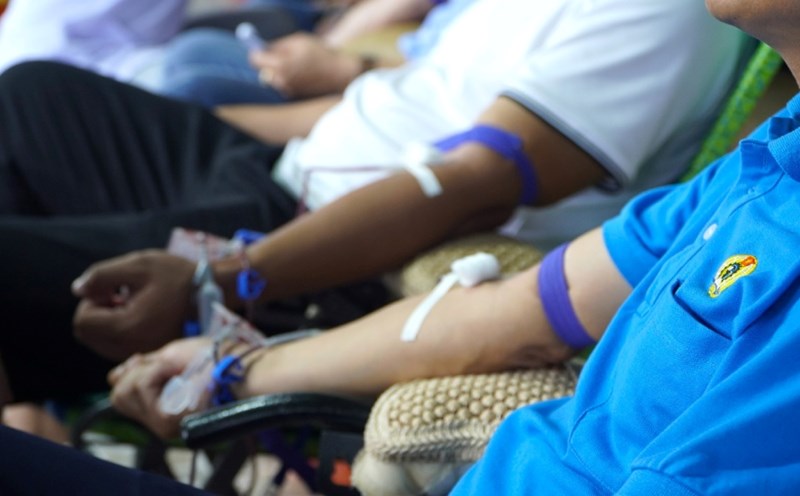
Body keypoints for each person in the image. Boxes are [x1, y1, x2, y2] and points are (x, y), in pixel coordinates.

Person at [1, 0, 800, 491]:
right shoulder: (758, 166)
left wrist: (226, 280)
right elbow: (519, 310)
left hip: (327, 232)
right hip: (289, 176)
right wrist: (234, 368)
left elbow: (478, 180)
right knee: (38, 95)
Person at [0, 0, 431, 106]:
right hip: (98, 79)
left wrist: (337, 52)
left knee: (194, 62)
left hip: (96, 72)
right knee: (193, 70)